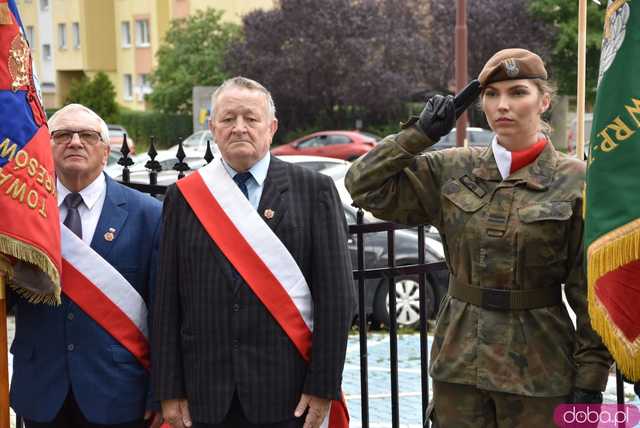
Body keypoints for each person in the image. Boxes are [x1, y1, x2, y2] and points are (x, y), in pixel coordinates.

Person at [345, 48, 612, 427]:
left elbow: (591, 293)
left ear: (545, 100)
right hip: (459, 365)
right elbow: (362, 185)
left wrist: (590, 381)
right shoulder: (452, 168)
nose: (502, 105)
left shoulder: (577, 180)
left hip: (540, 369)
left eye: (518, 92)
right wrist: (419, 134)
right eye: (491, 94)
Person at [151, 76, 355, 428]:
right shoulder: (183, 198)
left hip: (289, 395)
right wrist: (169, 390)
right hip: (206, 397)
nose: (239, 128)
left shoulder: (314, 191)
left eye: (251, 118)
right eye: (228, 119)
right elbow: (167, 300)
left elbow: (337, 299)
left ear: (271, 127)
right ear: (212, 127)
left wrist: (323, 386)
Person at [9, 104, 163, 428]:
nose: (75, 142)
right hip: (40, 390)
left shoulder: (148, 215)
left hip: (120, 393)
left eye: (87, 136)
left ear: (105, 151)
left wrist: (159, 392)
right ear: (44, 148)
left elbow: (164, 312)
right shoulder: (21, 216)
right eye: (62, 135)